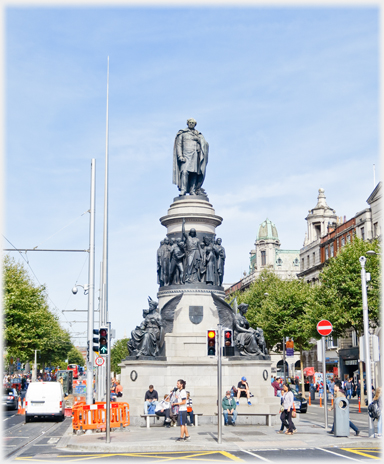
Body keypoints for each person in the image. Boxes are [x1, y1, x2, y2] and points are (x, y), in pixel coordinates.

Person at [173, 118, 209, 196]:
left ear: (195, 124)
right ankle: (183, 189)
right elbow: (179, 145)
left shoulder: (198, 134)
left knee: (194, 173)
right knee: (184, 172)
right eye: (190, 122)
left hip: (195, 155)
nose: (191, 124)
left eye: (193, 123)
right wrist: (180, 156)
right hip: (186, 156)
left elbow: (205, 144)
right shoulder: (183, 133)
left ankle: (192, 190)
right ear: (187, 123)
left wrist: (199, 140)